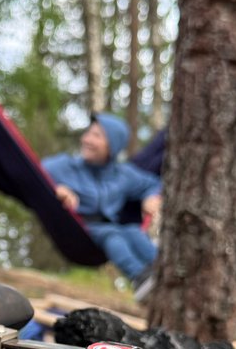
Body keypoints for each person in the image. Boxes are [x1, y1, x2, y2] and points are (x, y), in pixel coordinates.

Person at [42, 112, 161, 297]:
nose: (87, 139)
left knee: (132, 231)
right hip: (79, 229)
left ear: (113, 145)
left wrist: (150, 197)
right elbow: (35, 176)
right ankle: (139, 277)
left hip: (110, 227)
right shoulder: (65, 166)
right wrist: (58, 190)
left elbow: (153, 183)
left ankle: (163, 267)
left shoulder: (123, 174)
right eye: (88, 133)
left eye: (97, 135)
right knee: (111, 233)